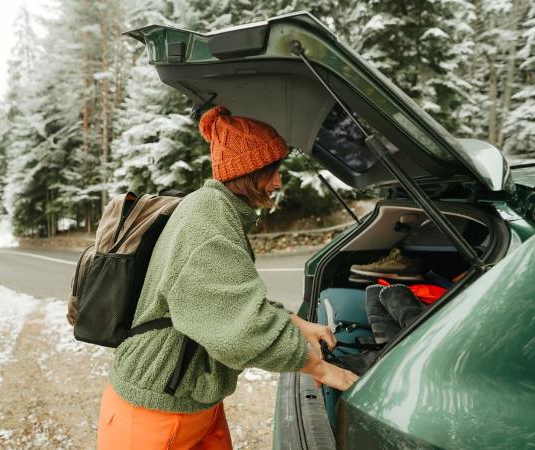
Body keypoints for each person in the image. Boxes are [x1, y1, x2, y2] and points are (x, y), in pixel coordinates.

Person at [97, 105, 359, 450]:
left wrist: (296, 323)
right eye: (273, 169)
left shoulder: (217, 211)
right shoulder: (208, 220)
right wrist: (323, 370)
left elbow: (234, 295)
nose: (279, 181)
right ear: (249, 170)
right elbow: (240, 330)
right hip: (153, 412)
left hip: (191, 399)